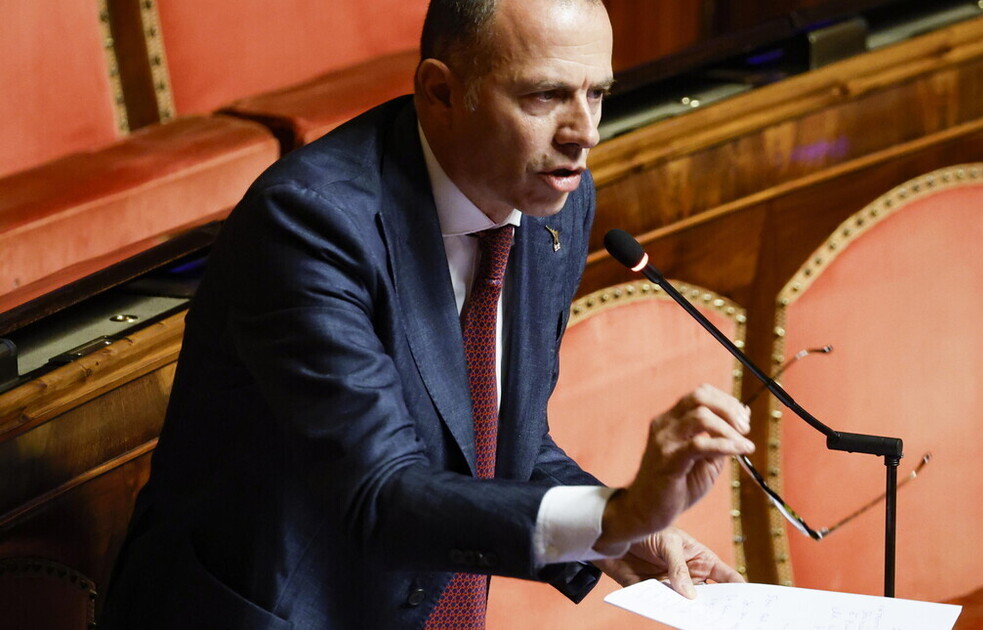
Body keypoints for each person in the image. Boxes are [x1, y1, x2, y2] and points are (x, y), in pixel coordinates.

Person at [100, 0, 754, 628]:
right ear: (441, 91)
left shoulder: (554, 197)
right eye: (545, 96)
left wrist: (611, 531)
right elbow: (381, 495)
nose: (585, 133)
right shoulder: (309, 223)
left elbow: (494, 436)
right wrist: (613, 516)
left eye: (597, 94)